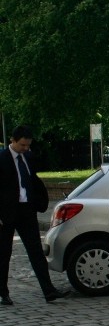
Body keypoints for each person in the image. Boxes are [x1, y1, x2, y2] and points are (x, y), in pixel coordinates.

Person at [0, 125, 69, 304]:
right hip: (6, 212)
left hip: (26, 210)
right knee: (4, 253)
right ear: (12, 141)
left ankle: (48, 291)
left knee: (36, 252)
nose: (25, 149)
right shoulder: (2, 158)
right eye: (22, 145)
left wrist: (38, 201)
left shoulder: (28, 157)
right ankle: (3, 293)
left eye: (28, 145)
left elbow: (33, 180)